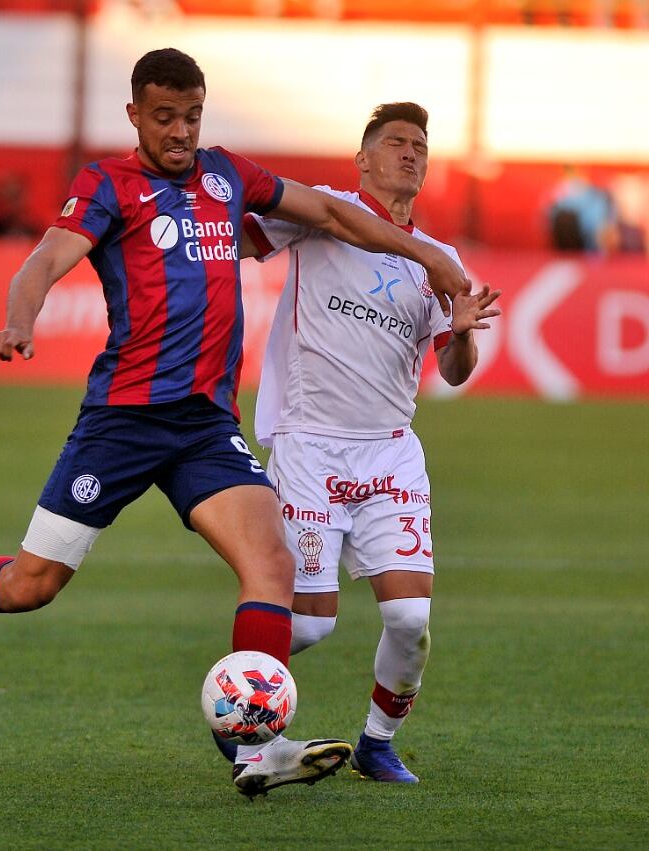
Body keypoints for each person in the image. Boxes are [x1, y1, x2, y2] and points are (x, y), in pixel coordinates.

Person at [0, 49, 471, 798]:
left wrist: (427, 253)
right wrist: (19, 321)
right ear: (135, 114)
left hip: (206, 425)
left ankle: (253, 748)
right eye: (165, 117)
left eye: (192, 116)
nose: (180, 131)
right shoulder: (108, 186)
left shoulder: (228, 176)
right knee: (34, 583)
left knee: (271, 567)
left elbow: (334, 214)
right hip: (123, 421)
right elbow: (44, 259)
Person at [223, 102, 500, 784]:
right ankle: (239, 708)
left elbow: (455, 371)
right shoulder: (322, 215)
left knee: (410, 621)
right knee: (311, 625)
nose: (411, 153)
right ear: (364, 160)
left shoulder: (442, 263)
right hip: (310, 447)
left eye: (421, 147)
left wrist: (460, 331)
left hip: (389, 453)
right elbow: (237, 241)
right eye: (396, 142)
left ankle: (377, 743)